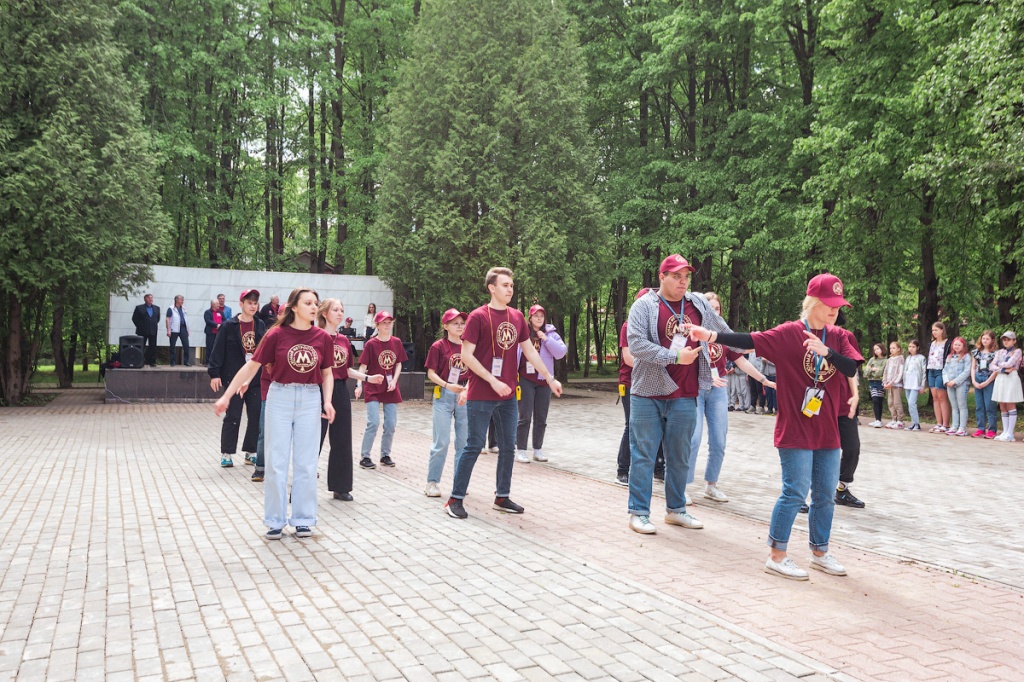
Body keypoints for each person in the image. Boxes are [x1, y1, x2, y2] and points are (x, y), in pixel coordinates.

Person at [688, 273, 862, 580]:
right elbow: (748, 340)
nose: (835, 310)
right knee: (795, 493)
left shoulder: (839, 336)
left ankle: (820, 551)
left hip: (827, 430)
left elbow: (850, 366)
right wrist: (712, 336)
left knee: (823, 494)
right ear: (813, 303)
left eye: (838, 304)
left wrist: (827, 353)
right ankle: (777, 555)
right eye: (829, 304)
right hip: (795, 428)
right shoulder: (789, 333)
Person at [214, 287, 335, 540]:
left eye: (316, 303)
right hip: (280, 397)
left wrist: (328, 401)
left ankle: (303, 519)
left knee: (306, 463)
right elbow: (251, 366)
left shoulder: (322, 337)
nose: (314, 307)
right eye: (308, 303)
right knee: (276, 462)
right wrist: (227, 395)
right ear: (293, 307)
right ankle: (275, 521)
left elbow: (327, 373)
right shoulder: (276, 335)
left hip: (310, 399)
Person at [444, 267, 564, 520]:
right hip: (482, 394)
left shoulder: (517, 316)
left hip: (508, 395)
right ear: (492, 288)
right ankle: (455, 498)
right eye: (505, 285)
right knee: (474, 445)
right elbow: (466, 355)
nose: (510, 289)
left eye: (511, 285)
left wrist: (550, 378)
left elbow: (530, 351)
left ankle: (502, 496)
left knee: (509, 447)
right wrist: (492, 380)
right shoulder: (478, 317)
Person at [624, 254, 731, 535]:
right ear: (662, 277)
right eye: (676, 276)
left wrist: (756, 344)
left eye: (686, 277)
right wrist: (674, 357)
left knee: (680, 455)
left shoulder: (697, 303)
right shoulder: (644, 305)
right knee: (644, 455)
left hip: (686, 393)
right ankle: (639, 512)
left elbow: (721, 331)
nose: (682, 282)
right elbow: (636, 345)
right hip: (647, 393)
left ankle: (676, 510)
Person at [687, 292, 773, 504]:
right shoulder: (693, 333)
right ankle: (681, 486)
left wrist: (764, 380)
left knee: (719, 440)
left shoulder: (723, 336)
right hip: (696, 389)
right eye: (710, 308)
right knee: (693, 439)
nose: (714, 312)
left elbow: (742, 360)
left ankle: (711, 485)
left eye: (717, 309)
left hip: (718, 390)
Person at [318, 299, 384, 501]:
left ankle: (341, 487)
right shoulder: (316, 337)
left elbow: (345, 369)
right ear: (324, 313)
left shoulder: (344, 341)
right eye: (335, 310)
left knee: (342, 439)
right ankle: (302, 487)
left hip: (339, 390)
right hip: (316, 391)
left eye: (342, 310)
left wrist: (367, 378)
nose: (340, 313)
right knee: (313, 441)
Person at [208, 290, 266, 468]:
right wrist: (214, 374)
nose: (253, 306)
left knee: (255, 415)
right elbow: (218, 349)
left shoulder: (260, 325)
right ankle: (226, 453)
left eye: (255, 303)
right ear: (241, 304)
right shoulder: (229, 325)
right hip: (233, 378)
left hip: (255, 379)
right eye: (249, 303)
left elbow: (263, 352)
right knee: (233, 415)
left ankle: (251, 452)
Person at [615, 288, 664, 487]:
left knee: (659, 425)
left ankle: (659, 468)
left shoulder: (655, 326)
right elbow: (628, 358)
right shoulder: (628, 326)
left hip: (653, 383)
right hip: (630, 383)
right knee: (632, 426)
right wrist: (656, 365)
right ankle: (622, 470)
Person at [424, 309, 469, 497]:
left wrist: (467, 390)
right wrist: (447, 385)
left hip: (465, 394)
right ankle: (432, 482)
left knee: (464, 443)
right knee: (441, 441)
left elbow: (475, 371)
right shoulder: (438, 346)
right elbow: (431, 373)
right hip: (443, 393)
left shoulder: (469, 346)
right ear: (446, 326)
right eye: (455, 323)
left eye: (461, 323)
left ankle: (460, 484)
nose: (459, 326)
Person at [515, 305, 568, 463]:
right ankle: (521, 450)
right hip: (525, 379)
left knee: (541, 417)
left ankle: (537, 449)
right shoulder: (523, 332)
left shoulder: (551, 333)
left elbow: (560, 352)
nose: (539, 318)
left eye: (541, 316)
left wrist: (546, 339)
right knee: (525, 416)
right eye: (535, 315)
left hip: (545, 380)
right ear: (529, 318)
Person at [356, 310, 407, 468]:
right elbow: (363, 366)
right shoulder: (371, 344)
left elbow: (398, 363)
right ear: (377, 325)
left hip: (390, 387)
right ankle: (365, 456)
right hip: (373, 387)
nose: (387, 325)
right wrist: (359, 385)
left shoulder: (396, 342)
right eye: (384, 323)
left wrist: (395, 380)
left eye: (389, 322)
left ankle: (385, 454)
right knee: (373, 422)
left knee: (391, 424)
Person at [991, 330, 1023, 442]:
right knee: (1002, 405)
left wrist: (1000, 365)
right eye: (1004, 339)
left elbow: (1011, 364)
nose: (1006, 341)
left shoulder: (1017, 351)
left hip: (1011, 378)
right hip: (1001, 377)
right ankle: (1005, 431)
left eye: (1008, 339)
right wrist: (1003, 368)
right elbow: (991, 365)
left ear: (1014, 341)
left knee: (1010, 403)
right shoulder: (1000, 352)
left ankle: (1010, 433)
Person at [971, 330, 999, 438]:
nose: (985, 341)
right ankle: (981, 428)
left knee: (990, 406)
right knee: (979, 406)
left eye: (987, 339)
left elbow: (996, 370)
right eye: (983, 338)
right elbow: (973, 367)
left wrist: (987, 382)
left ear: (992, 340)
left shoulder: (995, 353)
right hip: (978, 378)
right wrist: (973, 380)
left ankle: (992, 429)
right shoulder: (976, 352)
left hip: (989, 379)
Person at [942, 337, 972, 436]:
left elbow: (967, 371)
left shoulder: (966, 357)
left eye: (959, 345)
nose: (957, 346)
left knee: (961, 406)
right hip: (949, 384)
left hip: (961, 384)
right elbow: (945, 370)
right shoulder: (950, 357)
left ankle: (962, 428)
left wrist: (955, 381)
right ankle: (954, 426)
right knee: (954, 406)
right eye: (955, 344)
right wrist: (947, 381)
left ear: (963, 346)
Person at [927, 322, 953, 432]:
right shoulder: (931, 344)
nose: (934, 332)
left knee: (942, 397)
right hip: (931, 370)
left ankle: (945, 424)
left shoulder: (948, 343)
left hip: (941, 371)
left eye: (936, 330)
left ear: (942, 330)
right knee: (935, 397)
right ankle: (938, 422)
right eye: (933, 330)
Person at [903, 339, 926, 432]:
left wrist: (922, 385)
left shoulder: (921, 358)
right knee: (909, 403)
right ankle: (913, 422)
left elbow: (924, 372)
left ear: (917, 348)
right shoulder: (908, 358)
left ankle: (917, 423)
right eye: (910, 347)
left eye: (913, 347)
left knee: (912, 403)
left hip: (916, 383)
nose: (911, 349)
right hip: (908, 383)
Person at [131, 294, 161, 367]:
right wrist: (140, 326)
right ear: (145, 299)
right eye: (148, 298)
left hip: (153, 330)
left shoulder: (157, 308)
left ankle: (152, 362)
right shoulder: (139, 308)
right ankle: (140, 361)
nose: (150, 299)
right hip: (142, 330)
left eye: (151, 298)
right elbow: (134, 318)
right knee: (141, 346)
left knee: (152, 347)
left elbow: (157, 319)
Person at [882, 341, 905, 428]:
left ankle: (900, 420)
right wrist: (885, 382)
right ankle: (893, 419)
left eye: (894, 348)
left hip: (896, 384)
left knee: (897, 402)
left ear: (898, 349)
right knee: (890, 402)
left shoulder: (900, 359)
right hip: (888, 384)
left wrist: (893, 382)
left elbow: (900, 372)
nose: (891, 350)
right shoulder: (889, 360)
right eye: (890, 348)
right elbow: (886, 371)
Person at [864, 344, 887, 428]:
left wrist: (873, 371)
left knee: (879, 400)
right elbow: (865, 373)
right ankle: (877, 420)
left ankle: (879, 420)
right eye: (875, 349)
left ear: (882, 349)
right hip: (872, 382)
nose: (876, 351)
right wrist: (872, 369)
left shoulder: (886, 360)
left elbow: (880, 372)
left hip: (880, 382)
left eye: (878, 349)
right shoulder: (872, 360)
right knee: (875, 399)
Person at [165, 295, 192, 367]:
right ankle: (172, 362)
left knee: (186, 345)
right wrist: (168, 330)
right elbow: (167, 319)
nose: (182, 301)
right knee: (172, 346)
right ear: (177, 300)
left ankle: (186, 361)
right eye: (181, 300)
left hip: (183, 328)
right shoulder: (171, 308)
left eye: (183, 300)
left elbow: (186, 319)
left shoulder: (183, 308)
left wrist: (188, 329)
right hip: (174, 329)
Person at [204, 299, 224, 365]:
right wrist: (216, 325)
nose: (219, 305)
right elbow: (208, 320)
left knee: (218, 348)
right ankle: (208, 362)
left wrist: (221, 325)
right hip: (211, 333)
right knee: (210, 348)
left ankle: (216, 363)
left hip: (219, 333)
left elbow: (224, 320)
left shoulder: (220, 312)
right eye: (217, 303)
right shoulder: (207, 312)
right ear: (213, 304)